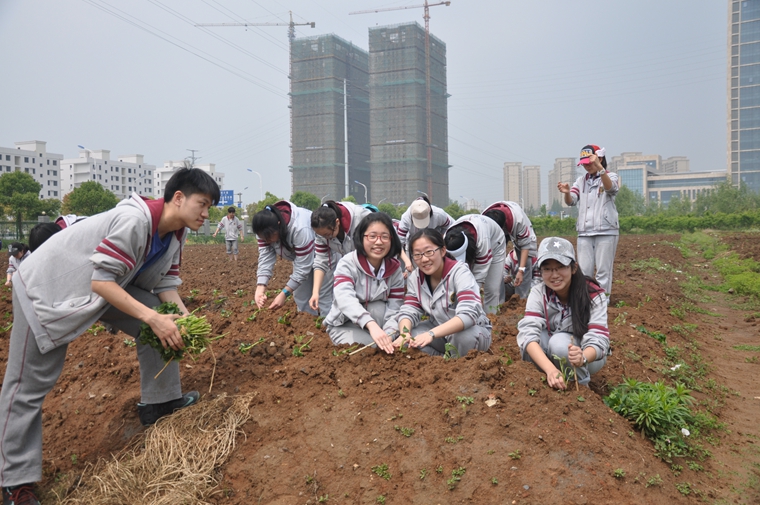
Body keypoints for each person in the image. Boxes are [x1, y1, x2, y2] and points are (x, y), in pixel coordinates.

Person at [0, 167, 220, 503]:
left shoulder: (176, 232)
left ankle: (159, 403)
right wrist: (155, 318)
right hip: (48, 289)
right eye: (202, 205)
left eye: (210, 207)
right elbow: (100, 281)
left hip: (101, 292)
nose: (206, 214)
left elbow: (165, 284)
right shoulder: (135, 221)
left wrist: (184, 321)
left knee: (162, 323)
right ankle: (16, 482)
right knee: (27, 386)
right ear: (178, 198)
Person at [516, 237, 610, 390]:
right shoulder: (539, 292)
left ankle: (580, 389)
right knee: (531, 343)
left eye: (560, 267)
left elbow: (599, 338)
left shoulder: (592, 294)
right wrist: (550, 370)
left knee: (560, 343)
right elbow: (528, 334)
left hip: (587, 356)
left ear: (573, 268)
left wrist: (583, 357)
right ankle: (547, 383)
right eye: (547, 269)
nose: (554, 275)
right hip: (554, 354)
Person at [392, 229, 492, 357]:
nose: (424, 259)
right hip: (439, 331)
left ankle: (461, 365)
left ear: (443, 251)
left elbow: (469, 314)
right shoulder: (415, 278)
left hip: (471, 330)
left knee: (462, 337)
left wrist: (431, 334)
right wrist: (404, 334)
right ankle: (441, 363)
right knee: (408, 339)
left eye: (429, 252)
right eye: (417, 255)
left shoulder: (459, 272)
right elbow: (409, 310)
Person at [324, 213, 405, 353]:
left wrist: (389, 334)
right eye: (372, 236)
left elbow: (395, 307)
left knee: (385, 346)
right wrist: (371, 325)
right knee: (368, 350)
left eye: (385, 237)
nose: (379, 242)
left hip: (379, 326)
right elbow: (345, 298)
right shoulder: (348, 263)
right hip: (346, 324)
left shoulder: (395, 269)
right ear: (361, 237)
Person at [557, 144, 620, 295]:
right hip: (585, 232)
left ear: (599, 159)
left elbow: (610, 188)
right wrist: (566, 193)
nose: (587, 167)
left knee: (603, 271)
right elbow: (571, 201)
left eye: (589, 163)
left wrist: (600, 168)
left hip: (606, 230)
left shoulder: (611, 176)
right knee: (584, 272)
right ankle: (587, 300)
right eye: (584, 164)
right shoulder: (580, 181)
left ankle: (603, 301)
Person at [252, 201, 332, 315]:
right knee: (301, 296)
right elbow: (265, 257)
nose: (267, 241)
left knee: (323, 296)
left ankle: (328, 327)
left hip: (324, 255)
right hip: (301, 258)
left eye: (269, 238)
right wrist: (260, 287)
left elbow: (303, 267)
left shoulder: (300, 228)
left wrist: (284, 293)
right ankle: (308, 326)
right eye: (264, 239)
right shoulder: (264, 230)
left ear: (279, 225)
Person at [309, 200, 372, 313]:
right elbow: (320, 261)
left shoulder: (361, 218)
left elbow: (377, 249)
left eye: (328, 235)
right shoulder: (321, 232)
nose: (326, 238)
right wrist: (315, 292)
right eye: (322, 236)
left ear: (337, 222)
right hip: (353, 262)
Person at [443, 214, 507, 314]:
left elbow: (479, 277)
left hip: (495, 245)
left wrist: (468, 300)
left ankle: (490, 316)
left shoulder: (482, 241)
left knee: (491, 288)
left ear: (468, 248)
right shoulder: (446, 240)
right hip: (477, 238)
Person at [482, 200, 537, 299]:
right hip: (493, 231)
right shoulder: (482, 223)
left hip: (514, 225)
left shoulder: (518, 221)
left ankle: (521, 300)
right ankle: (498, 302)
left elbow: (525, 247)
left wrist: (521, 271)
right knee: (496, 265)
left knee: (526, 263)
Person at [396, 196, 452, 274]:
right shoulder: (405, 218)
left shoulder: (439, 214)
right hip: (413, 239)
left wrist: (440, 240)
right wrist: (407, 261)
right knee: (414, 271)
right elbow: (399, 244)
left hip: (435, 237)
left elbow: (449, 229)